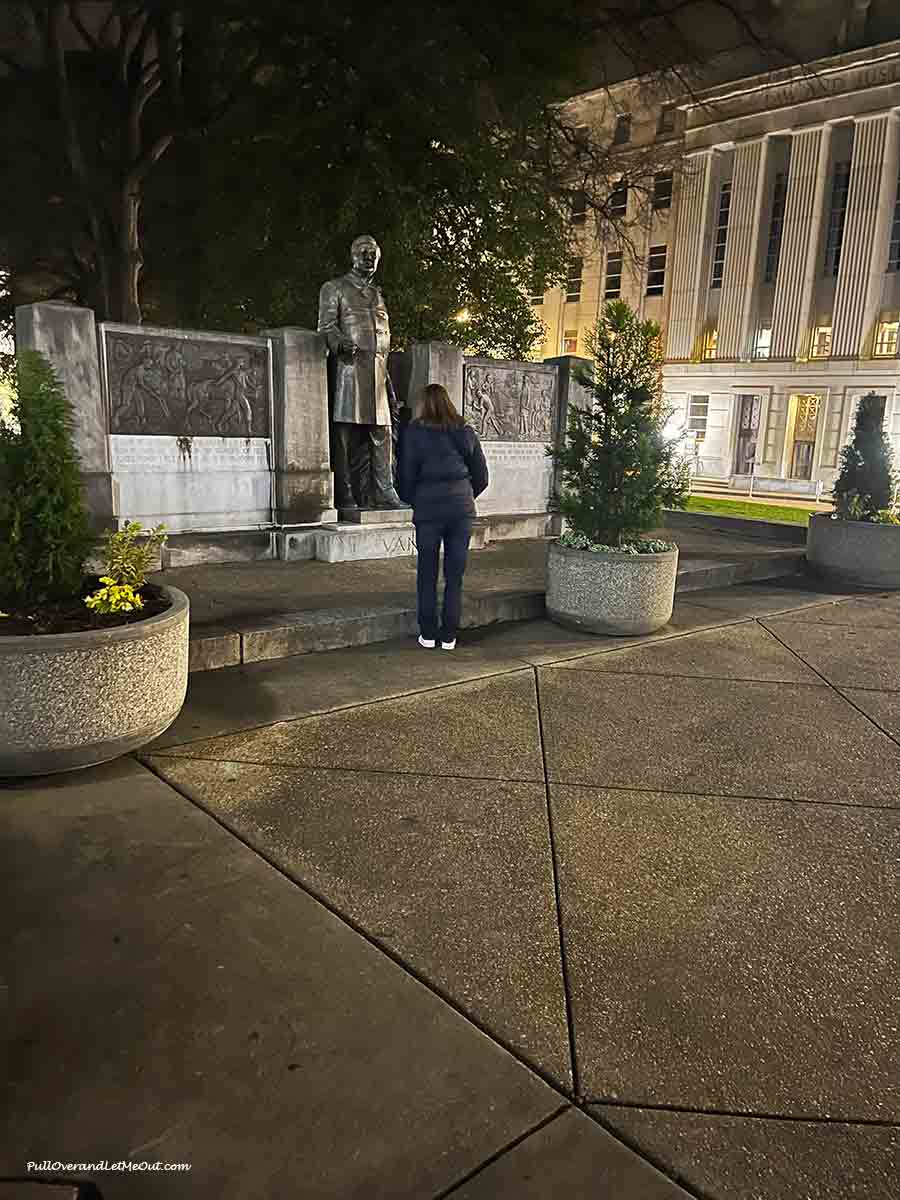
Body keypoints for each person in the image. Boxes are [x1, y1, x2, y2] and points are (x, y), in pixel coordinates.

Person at [398, 383, 489, 650]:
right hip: (460, 511)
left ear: (424, 405)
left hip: (428, 510)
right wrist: (464, 496)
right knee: (455, 574)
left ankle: (428, 633)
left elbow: (405, 476)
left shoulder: (414, 433)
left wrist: (416, 500)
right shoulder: (465, 432)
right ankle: (449, 635)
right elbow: (482, 476)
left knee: (427, 573)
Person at [317, 234, 405, 511]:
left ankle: (384, 491)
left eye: (373, 253)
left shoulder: (377, 294)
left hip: (378, 371)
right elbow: (325, 326)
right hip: (349, 369)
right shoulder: (335, 288)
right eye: (363, 252)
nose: (369, 257)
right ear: (352, 256)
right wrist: (339, 341)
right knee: (345, 434)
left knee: (382, 432)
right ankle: (344, 494)